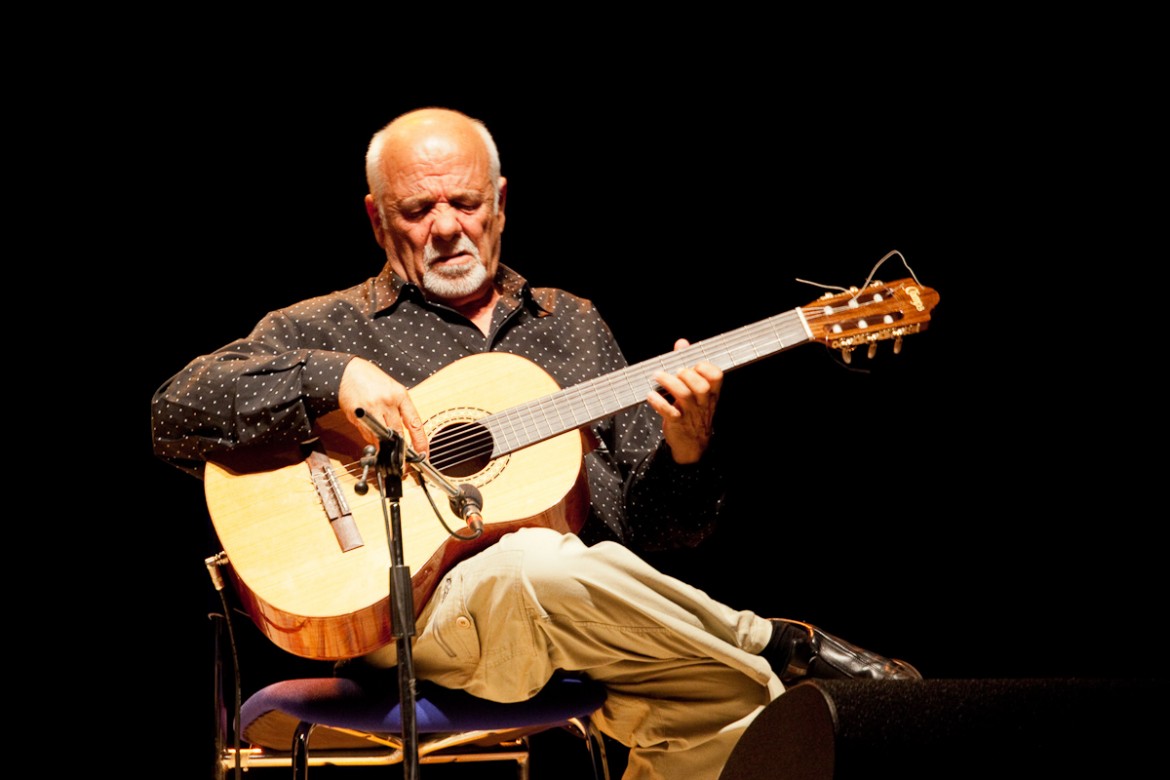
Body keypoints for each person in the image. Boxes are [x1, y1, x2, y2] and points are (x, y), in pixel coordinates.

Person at [151, 107, 920, 780]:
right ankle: (774, 637)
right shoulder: (329, 326)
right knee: (534, 560)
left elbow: (655, 538)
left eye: (466, 202)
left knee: (732, 694)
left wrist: (688, 451)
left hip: (574, 619)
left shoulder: (570, 326)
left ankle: (757, 656)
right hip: (407, 625)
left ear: (503, 204)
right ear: (377, 220)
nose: (447, 226)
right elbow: (174, 412)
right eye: (418, 209)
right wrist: (333, 377)